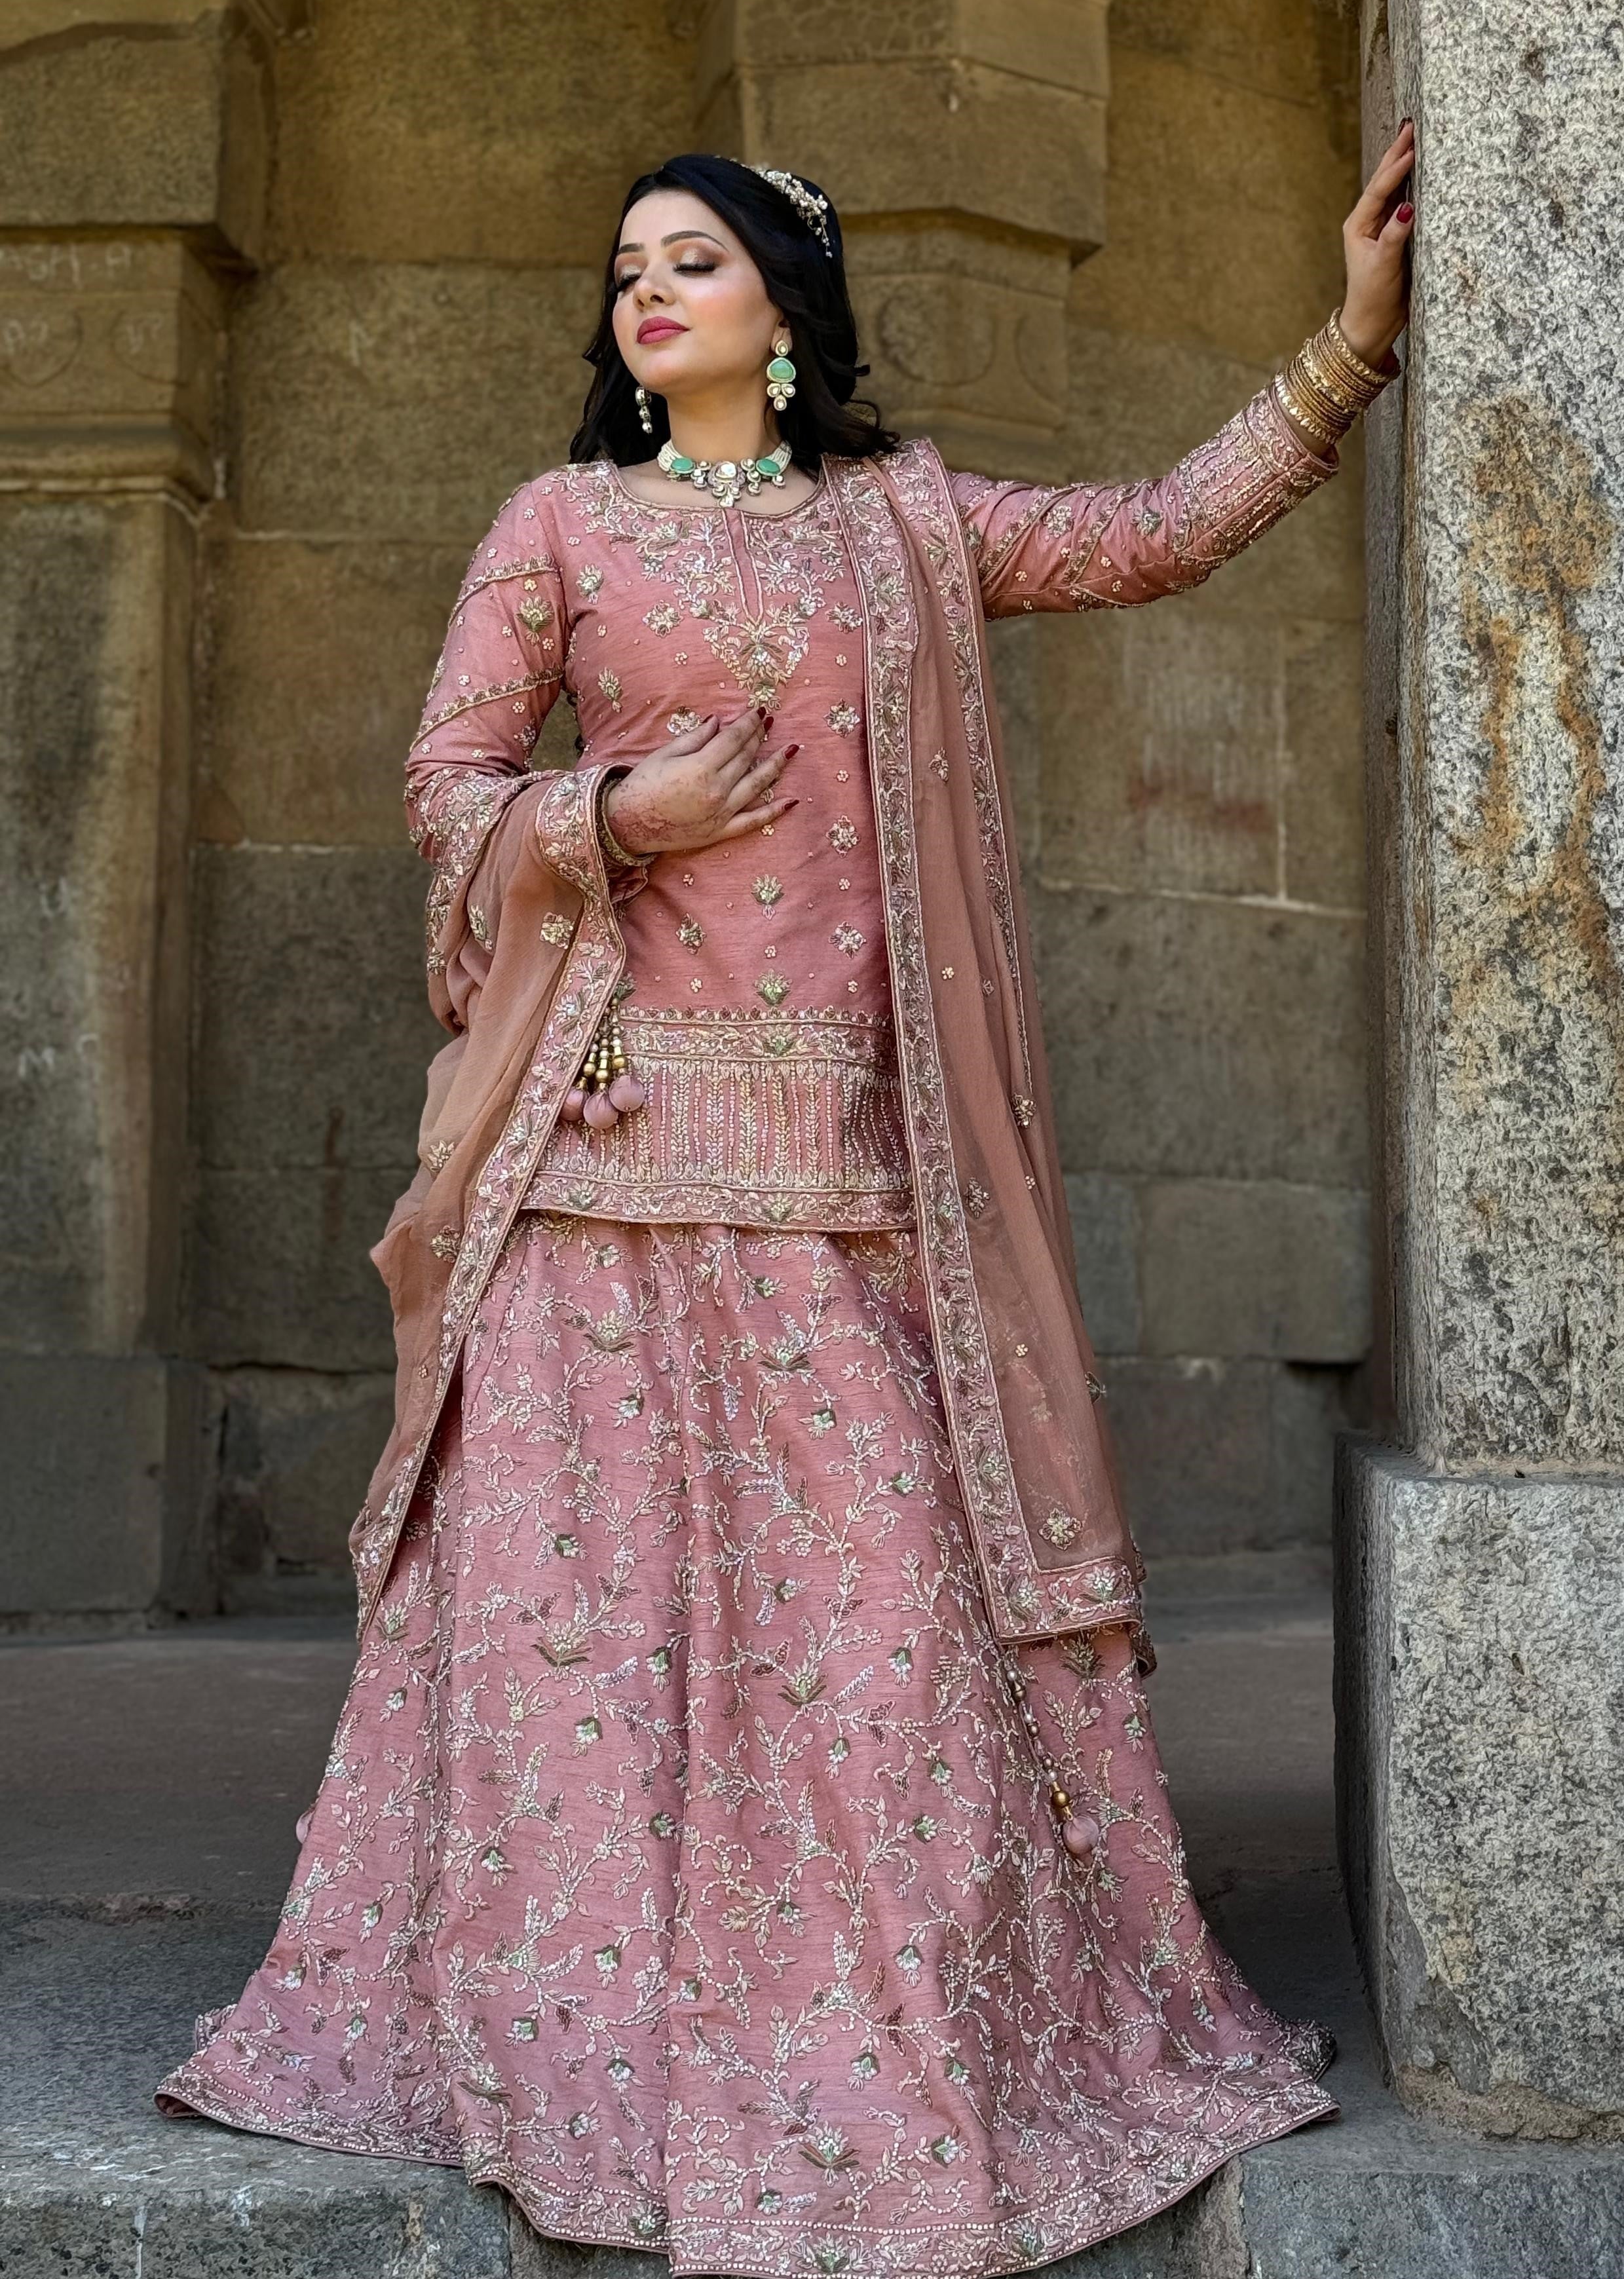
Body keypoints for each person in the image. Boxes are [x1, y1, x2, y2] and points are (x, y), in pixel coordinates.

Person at [158, 130, 1416, 2272]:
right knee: (583, 1659)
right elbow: (446, 785)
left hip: (840, 1181)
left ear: (784, 306)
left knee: (887, 1649)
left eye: (695, 259)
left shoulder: (904, 530)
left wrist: (1357, 345)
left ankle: (868, 2066)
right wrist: (605, 815)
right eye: (628, 266)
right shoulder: (560, 525)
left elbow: (1144, 536)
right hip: (602, 1178)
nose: (648, 290)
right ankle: (588, 2069)